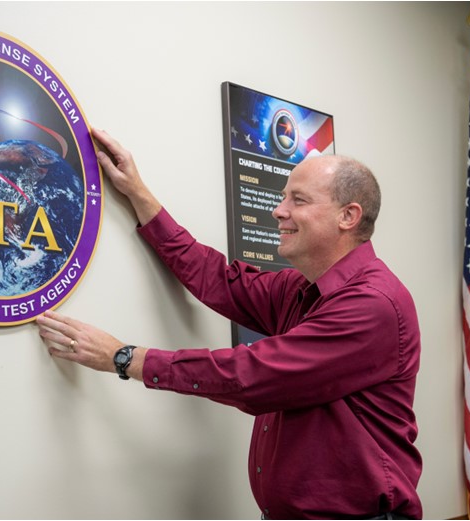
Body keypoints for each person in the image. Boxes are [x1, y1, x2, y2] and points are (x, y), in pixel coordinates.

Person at [36, 128, 423, 519]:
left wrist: (122, 357)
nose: (279, 210)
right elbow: (218, 279)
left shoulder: (372, 304)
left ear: (348, 216)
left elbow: (253, 375)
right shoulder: (300, 290)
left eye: (298, 200)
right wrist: (139, 195)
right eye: (284, 197)